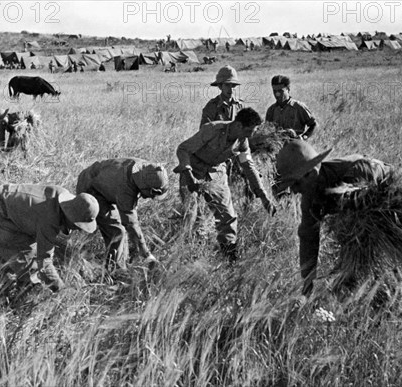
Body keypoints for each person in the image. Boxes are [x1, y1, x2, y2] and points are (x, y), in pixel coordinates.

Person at [274, 140, 402, 306]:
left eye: (294, 184)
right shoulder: (310, 197)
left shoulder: (358, 172)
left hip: (393, 213)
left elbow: (368, 231)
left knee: (383, 275)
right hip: (360, 230)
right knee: (353, 282)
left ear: (309, 173)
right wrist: (307, 285)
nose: (294, 191)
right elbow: (308, 238)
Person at [173, 107, 276, 263]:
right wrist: (188, 174)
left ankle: (229, 256)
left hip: (216, 173)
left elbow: (249, 166)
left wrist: (263, 196)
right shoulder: (212, 129)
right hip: (194, 170)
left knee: (227, 216)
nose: (251, 136)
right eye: (250, 130)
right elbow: (183, 149)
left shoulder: (242, 142)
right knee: (192, 216)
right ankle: (189, 255)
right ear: (239, 126)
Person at [0, 184, 100, 292]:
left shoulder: (61, 195)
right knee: (31, 271)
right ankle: (20, 304)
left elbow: (49, 239)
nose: (77, 229)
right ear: (70, 215)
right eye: (77, 224)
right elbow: (44, 264)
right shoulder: (49, 218)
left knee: (15, 265)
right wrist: (62, 291)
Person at [76, 158, 169, 271]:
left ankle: (121, 265)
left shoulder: (145, 169)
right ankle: (115, 271)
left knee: (120, 229)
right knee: (117, 231)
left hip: (102, 184)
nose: (151, 198)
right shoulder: (125, 187)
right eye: (151, 194)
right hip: (91, 189)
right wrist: (146, 254)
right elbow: (130, 222)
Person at [265, 75, 317, 140]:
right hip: (277, 146)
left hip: (296, 145)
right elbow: (267, 130)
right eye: (274, 91)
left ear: (288, 89)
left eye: (280, 91)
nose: (277, 94)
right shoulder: (271, 110)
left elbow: (314, 125)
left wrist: (304, 137)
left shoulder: (298, 107)